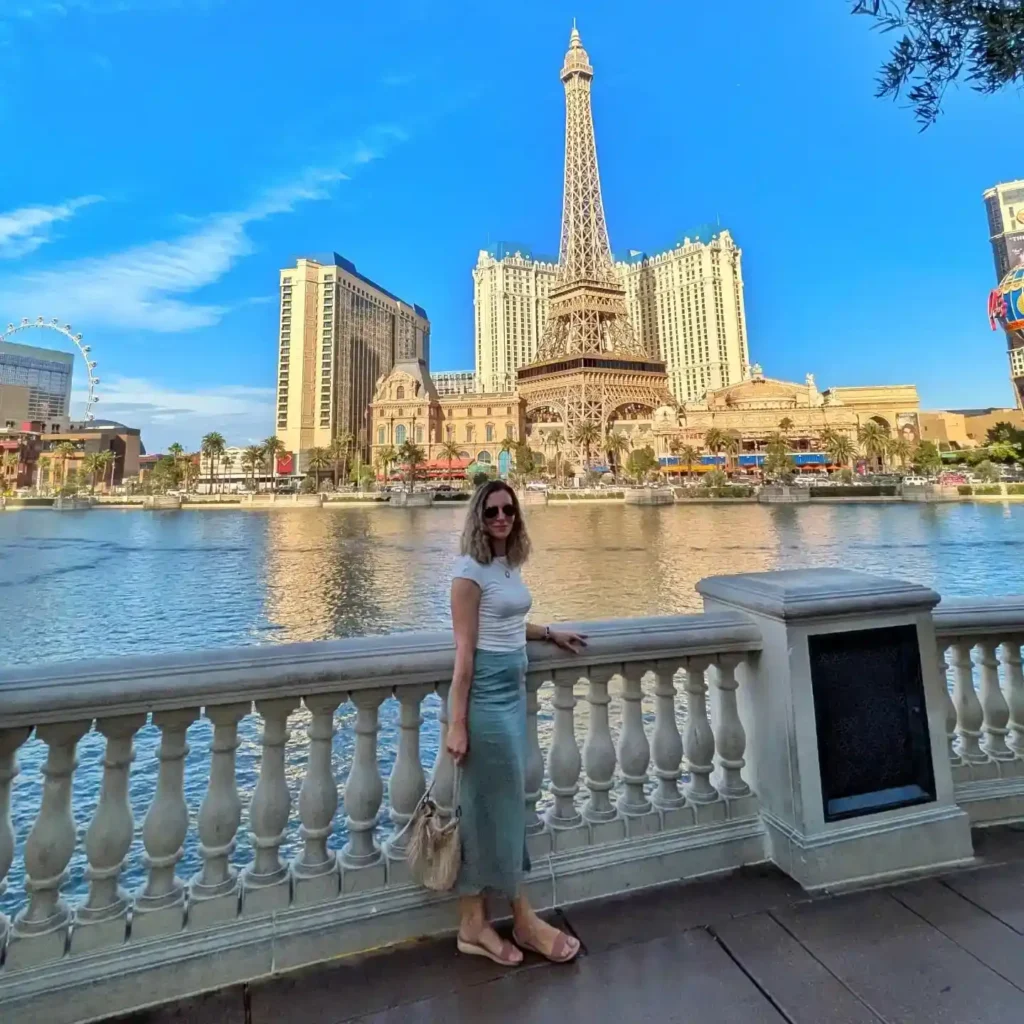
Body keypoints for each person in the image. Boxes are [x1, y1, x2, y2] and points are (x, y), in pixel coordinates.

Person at [447, 480, 585, 967]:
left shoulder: (505, 567)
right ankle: (523, 919)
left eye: (508, 510)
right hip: (485, 699)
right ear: (478, 518)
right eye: (491, 512)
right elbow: (464, 653)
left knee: (491, 809)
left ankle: (473, 924)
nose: (501, 517)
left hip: (510, 695)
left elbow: (504, 622)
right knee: (501, 810)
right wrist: (456, 723)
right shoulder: (468, 573)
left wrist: (549, 632)